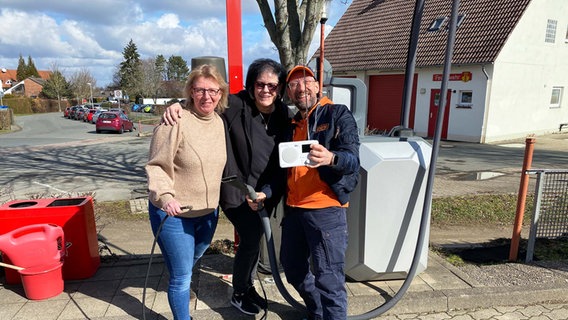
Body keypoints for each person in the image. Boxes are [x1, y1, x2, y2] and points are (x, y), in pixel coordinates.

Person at [163, 58, 292, 316]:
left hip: (266, 191)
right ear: (251, 84)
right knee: (252, 238)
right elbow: (205, 100)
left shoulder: (284, 116)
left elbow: (283, 163)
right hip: (235, 189)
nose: (266, 90)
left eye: (272, 86)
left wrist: (267, 192)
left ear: (280, 89)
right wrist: (176, 105)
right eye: (260, 84)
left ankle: (245, 285)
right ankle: (240, 292)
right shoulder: (236, 105)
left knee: (253, 241)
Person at [146, 64, 228, 320]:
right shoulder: (175, 120)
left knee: (189, 262)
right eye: (200, 90)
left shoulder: (220, 122)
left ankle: (178, 278)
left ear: (221, 93)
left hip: (208, 213)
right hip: (174, 214)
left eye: (213, 90)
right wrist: (166, 197)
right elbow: (156, 165)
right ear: (191, 92)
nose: (207, 96)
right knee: (182, 277)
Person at [280, 65, 360, 320]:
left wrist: (331, 158)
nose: (300, 88)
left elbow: (352, 160)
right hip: (294, 211)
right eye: (293, 85)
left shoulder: (337, 114)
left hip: (326, 211)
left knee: (329, 280)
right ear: (289, 93)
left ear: (317, 86)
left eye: (306, 82)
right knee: (292, 269)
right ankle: (317, 313)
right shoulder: (292, 123)